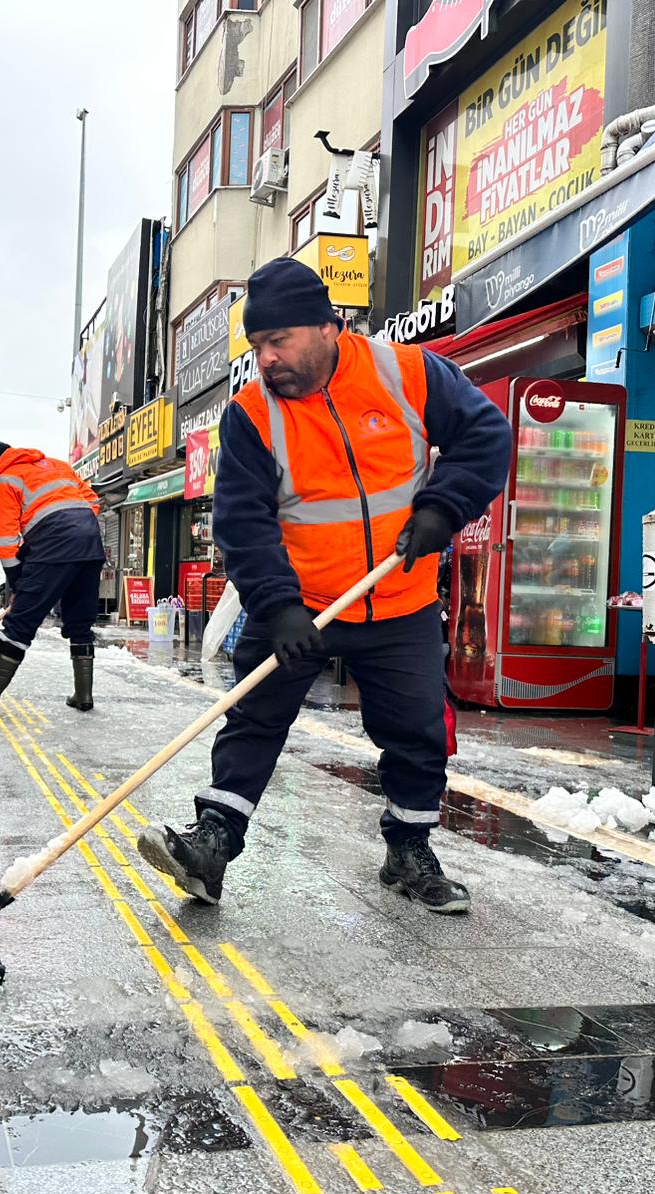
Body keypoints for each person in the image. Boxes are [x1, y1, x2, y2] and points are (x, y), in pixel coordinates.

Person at [137, 258, 510, 914]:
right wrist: (276, 606)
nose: (267, 359)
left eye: (278, 342)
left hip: (399, 596)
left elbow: (486, 436)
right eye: (257, 347)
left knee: (417, 729)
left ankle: (409, 849)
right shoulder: (251, 414)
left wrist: (442, 509)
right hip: (302, 603)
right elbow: (243, 521)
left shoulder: (408, 372)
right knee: (254, 714)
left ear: (327, 326)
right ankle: (214, 843)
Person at [0, 442, 105, 713]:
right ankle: (84, 695)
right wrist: (74, 528)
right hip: (90, 540)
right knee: (80, 621)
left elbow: (5, 536)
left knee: (22, 619)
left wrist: (18, 580)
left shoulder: (7, 477)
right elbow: (91, 500)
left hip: (55, 543)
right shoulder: (58, 466)